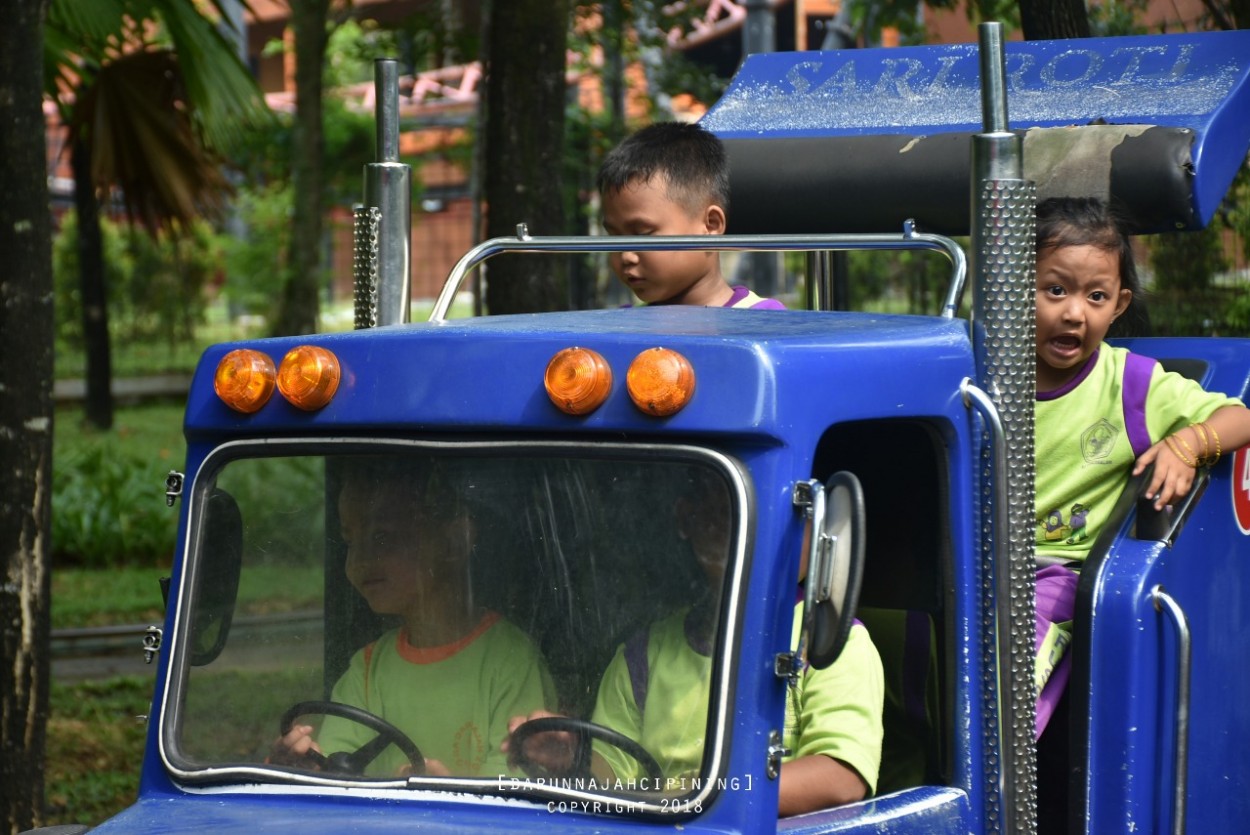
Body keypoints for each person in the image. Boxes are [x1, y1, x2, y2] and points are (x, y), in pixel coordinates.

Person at [504, 467, 884, 817]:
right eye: (726, 512)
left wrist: (703, 793)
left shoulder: (833, 643)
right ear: (689, 519)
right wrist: (573, 759)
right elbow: (613, 780)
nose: (753, 535)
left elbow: (840, 779)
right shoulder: (643, 656)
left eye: (787, 522)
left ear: (818, 536)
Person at [1031, 196, 1250, 742]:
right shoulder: (983, 371)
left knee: (996, 695)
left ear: (1119, 303)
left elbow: (1239, 417)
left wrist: (1188, 443)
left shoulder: (1129, 383)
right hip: (976, 567)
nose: (1074, 312)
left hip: (1056, 581)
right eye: (1055, 290)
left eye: (1095, 296)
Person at [271, 458, 556, 778]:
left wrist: (446, 792)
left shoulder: (511, 660)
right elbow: (336, 770)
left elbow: (515, 791)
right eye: (350, 540)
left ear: (454, 540)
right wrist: (306, 766)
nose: (360, 559)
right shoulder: (366, 668)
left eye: (382, 536)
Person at [598, 121, 785, 309]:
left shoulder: (762, 321)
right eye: (615, 237)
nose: (626, 257)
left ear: (710, 225)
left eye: (643, 233)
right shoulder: (624, 326)